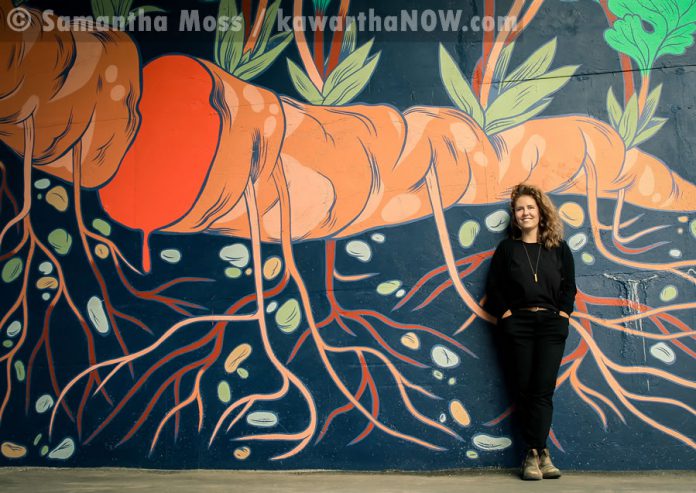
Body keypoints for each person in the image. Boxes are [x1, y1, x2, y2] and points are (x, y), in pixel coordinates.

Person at [485, 183, 577, 480]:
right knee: (525, 391)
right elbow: (494, 288)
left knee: (543, 390)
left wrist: (563, 315)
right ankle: (539, 453)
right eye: (520, 209)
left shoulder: (559, 248)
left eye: (530, 208)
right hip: (519, 326)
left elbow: (568, 287)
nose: (525, 213)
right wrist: (508, 316)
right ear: (515, 216)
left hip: (551, 325)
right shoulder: (507, 249)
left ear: (541, 213)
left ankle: (535, 453)